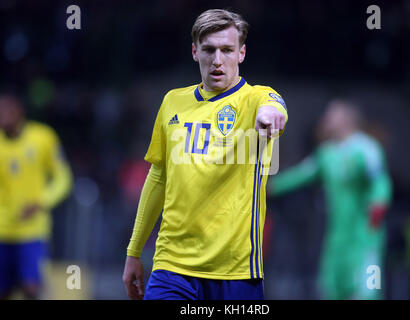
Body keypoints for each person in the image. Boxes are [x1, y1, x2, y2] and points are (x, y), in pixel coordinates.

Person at [122, 9, 288, 300]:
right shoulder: (173, 102)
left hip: (235, 271)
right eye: (209, 50)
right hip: (171, 266)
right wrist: (134, 251)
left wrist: (271, 115)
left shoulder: (255, 99)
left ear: (242, 53)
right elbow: (158, 177)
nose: (217, 59)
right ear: (195, 51)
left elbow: (274, 105)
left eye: (227, 50)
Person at [269, 100, 392, 300]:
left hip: (365, 237)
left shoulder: (368, 149)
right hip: (336, 239)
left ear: (347, 119)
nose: (325, 119)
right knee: (332, 290)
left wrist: (378, 205)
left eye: (331, 114)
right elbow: (301, 174)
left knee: (369, 290)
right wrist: (270, 188)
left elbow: (380, 181)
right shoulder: (326, 153)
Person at [0, 92, 73, 299]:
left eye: (8, 111)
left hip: (32, 230)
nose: (3, 116)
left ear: (20, 112)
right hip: (1, 230)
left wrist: (42, 202)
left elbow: (63, 178)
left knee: (31, 288)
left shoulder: (43, 137)